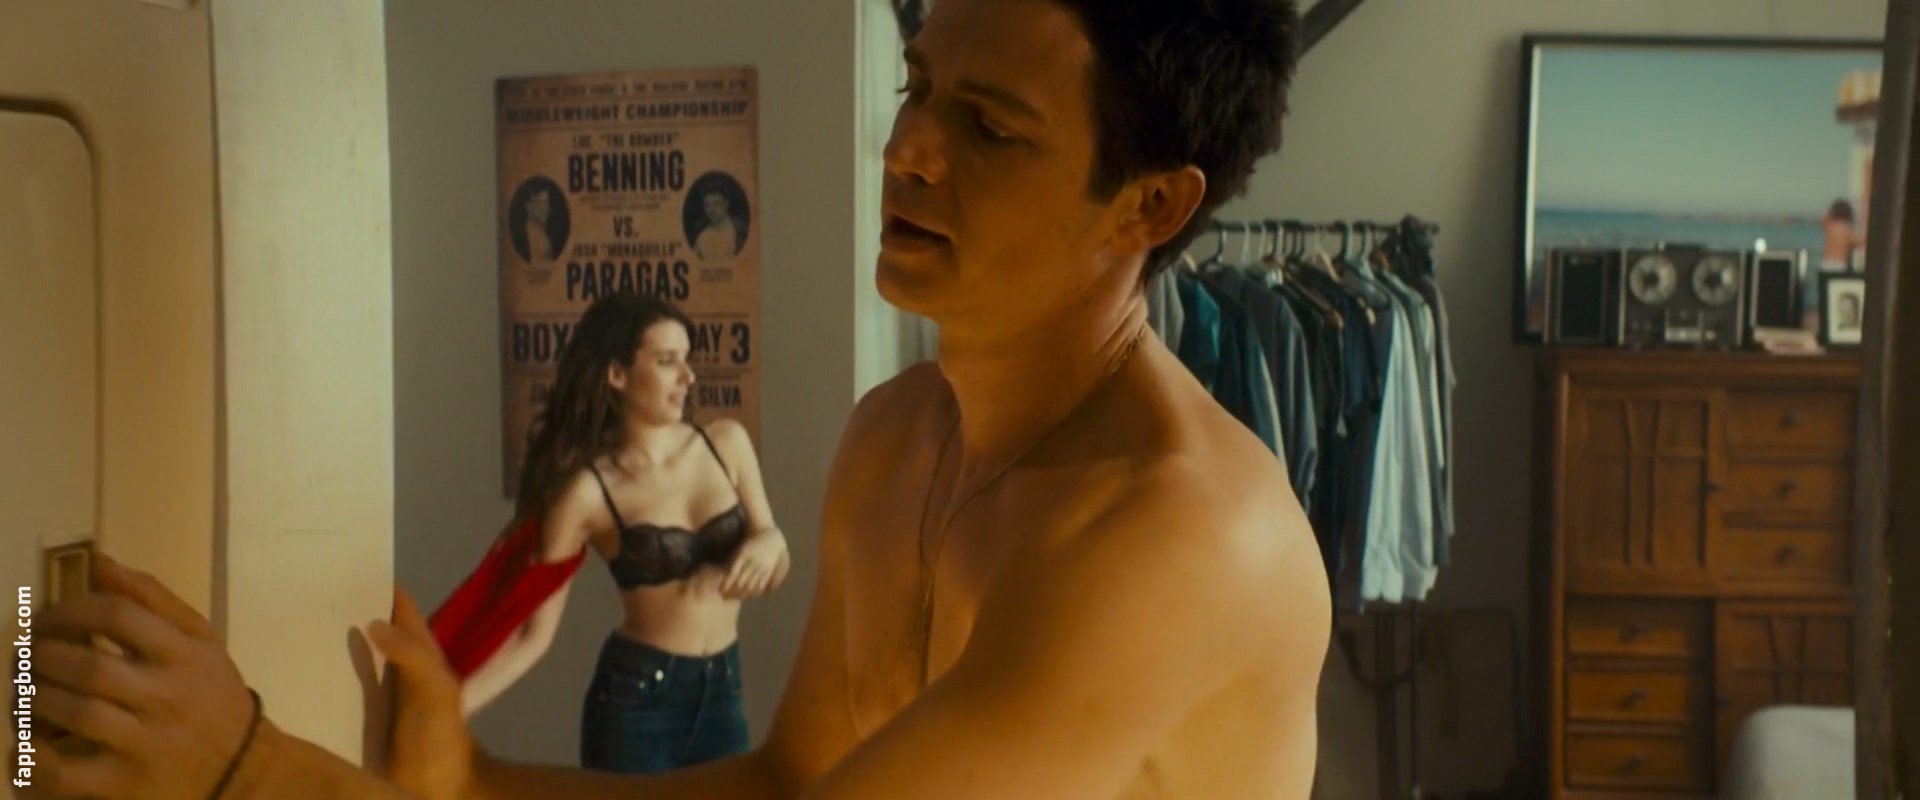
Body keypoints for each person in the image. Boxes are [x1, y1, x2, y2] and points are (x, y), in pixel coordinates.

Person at [24, 1, 1329, 798]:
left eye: (988, 127)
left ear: (1149, 205)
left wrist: (247, 770)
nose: (909, 149)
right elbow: (785, 782)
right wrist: (468, 779)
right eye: (919, 88)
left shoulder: (1180, 535)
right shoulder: (897, 439)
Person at [460, 291, 790, 773]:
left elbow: (775, 559)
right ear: (617, 375)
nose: (688, 377)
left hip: (723, 690)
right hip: (637, 703)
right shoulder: (588, 493)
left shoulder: (726, 443)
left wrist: (772, 541)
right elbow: (532, 635)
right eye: (667, 361)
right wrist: (448, 710)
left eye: (687, 360)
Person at [694, 190, 745, 262]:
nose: (712, 209)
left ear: (726, 204)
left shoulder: (740, 229)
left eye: (716, 203)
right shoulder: (701, 237)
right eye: (707, 205)